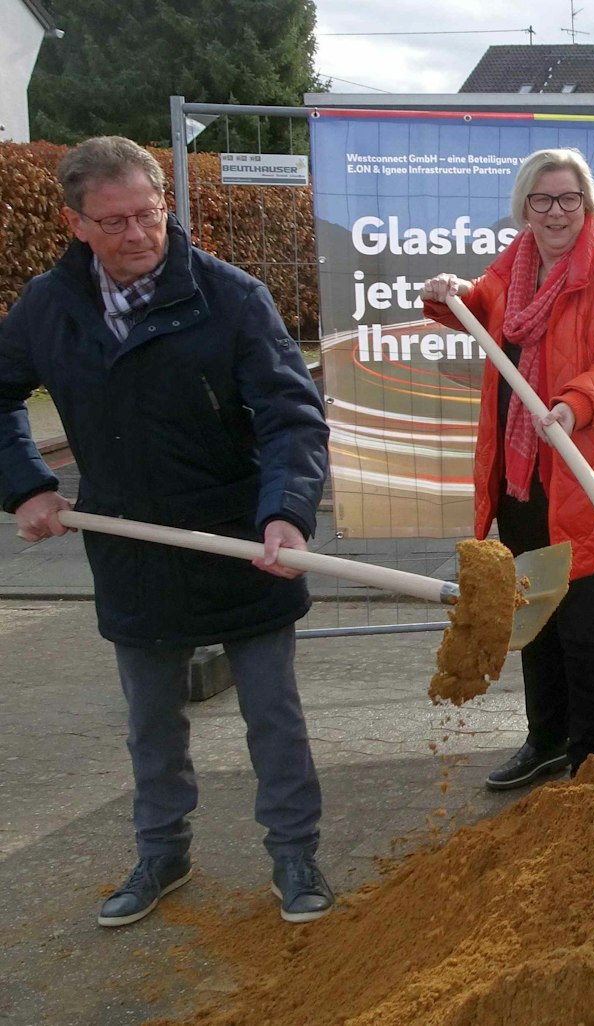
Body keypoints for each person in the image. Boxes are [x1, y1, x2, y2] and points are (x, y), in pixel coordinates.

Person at [0, 137, 333, 926]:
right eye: (112, 222)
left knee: (273, 716)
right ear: (76, 223)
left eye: (147, 214)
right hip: (128, 542)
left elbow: (291, 414)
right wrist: (27, 488)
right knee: (151, 720)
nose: (136, 234)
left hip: (241, 540)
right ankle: (162, 853)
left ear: (165, 206)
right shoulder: (50, 308)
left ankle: (295, 856)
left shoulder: (230, 297)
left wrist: (286, 511)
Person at [423, 147, 594, 791]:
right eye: (541, 200)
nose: (556, 212)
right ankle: (545, 740)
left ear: (587, 205)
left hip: (593, 475)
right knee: (534, 617)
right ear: (524, 209)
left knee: (589, 628)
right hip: (526, 481)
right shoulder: (514, 268)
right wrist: (450, 296)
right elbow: (485, 308)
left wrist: (575, 404)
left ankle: (592, 760)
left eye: (568, 199)